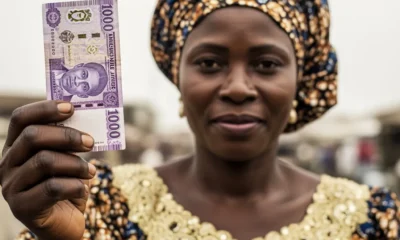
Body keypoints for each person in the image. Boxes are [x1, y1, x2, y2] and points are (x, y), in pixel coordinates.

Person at [1, 0, 399, 239]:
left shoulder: (377, 218)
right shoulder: (97, 203)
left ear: (301, 78)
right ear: (178, 76)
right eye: (209, 63)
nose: (238, 87)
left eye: (267, 64)